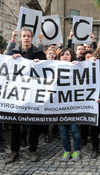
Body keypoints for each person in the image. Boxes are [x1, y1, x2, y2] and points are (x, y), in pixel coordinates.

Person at [5, 27, 46, 164]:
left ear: (32, 38)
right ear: (20, 38)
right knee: (15, 124)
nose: (26, 38)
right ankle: (14, 151)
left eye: (29, 36)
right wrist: (13, 59)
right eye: (24, 36)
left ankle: (33, 150)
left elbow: (47, 69)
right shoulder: (13, 52)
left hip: (33, 94)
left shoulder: (39, 53)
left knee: (33, 123)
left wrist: (36, 63)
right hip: (17, 95)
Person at [56, 47, 82, 161]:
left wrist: (79, 66)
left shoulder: (77, 67)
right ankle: (67, 150)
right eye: (62, 54)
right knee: (62, 130)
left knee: (75, 129)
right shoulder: (53, 67)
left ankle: (77, 150)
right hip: (59, 105)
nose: (64, 56)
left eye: (67, 54)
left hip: (73, 105)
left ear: (72, 56)